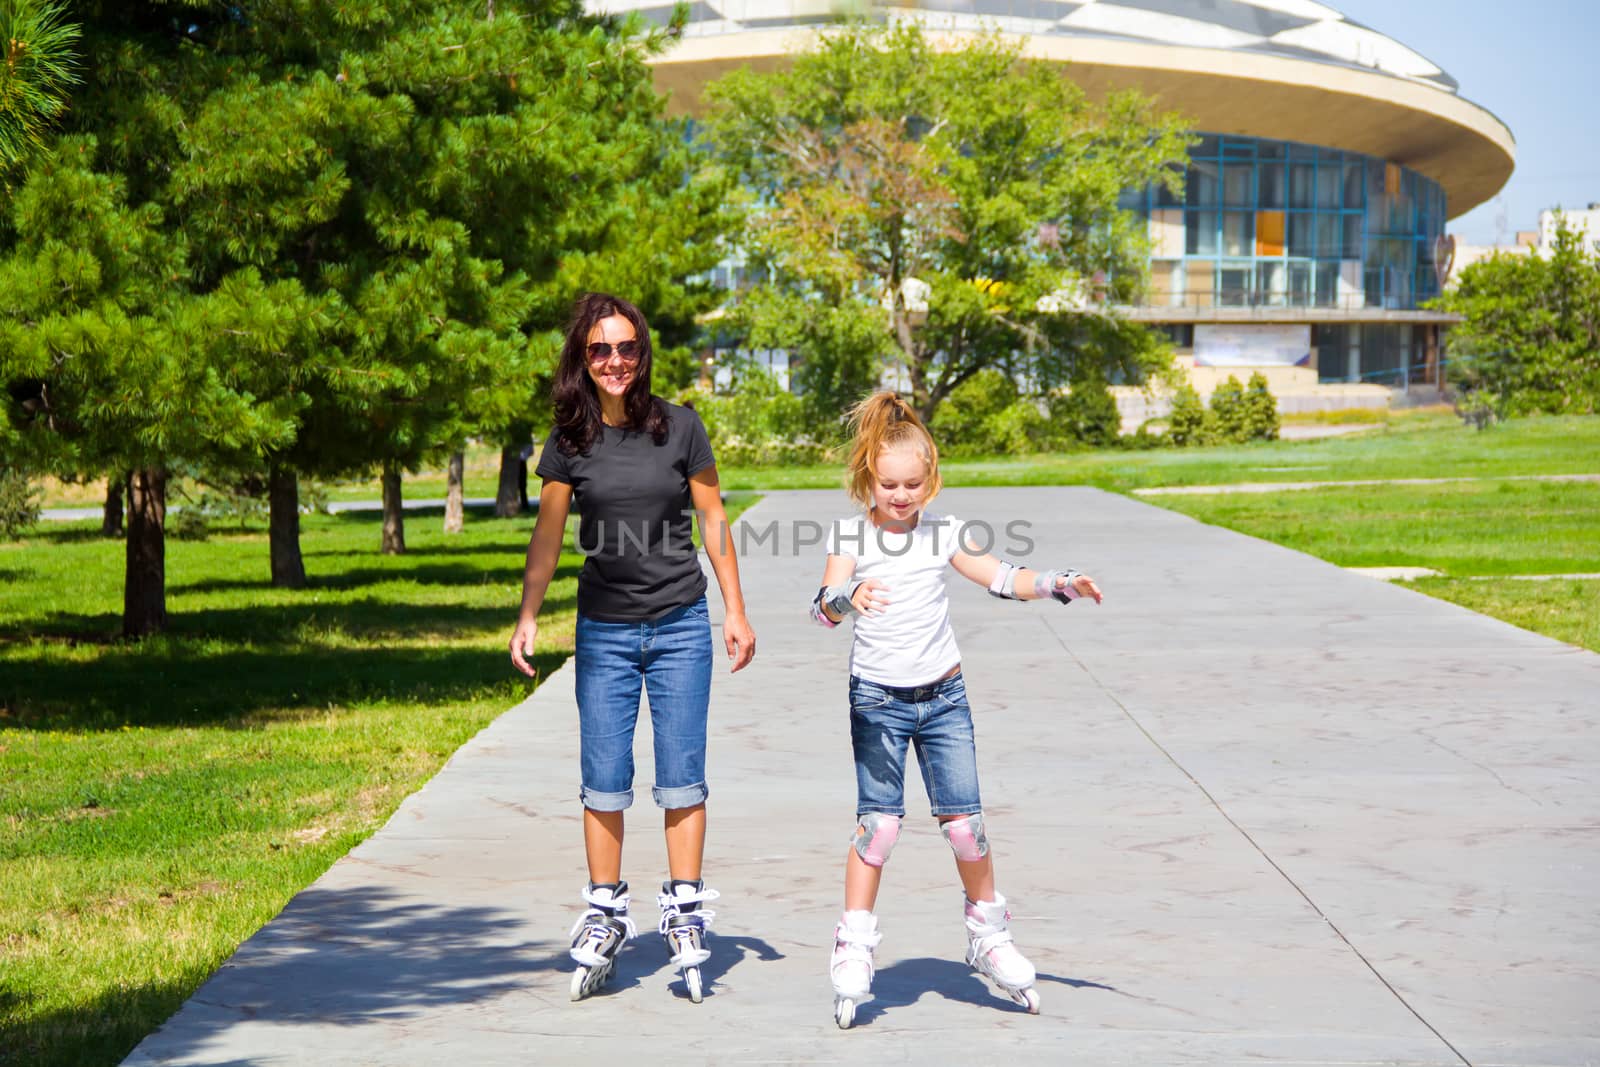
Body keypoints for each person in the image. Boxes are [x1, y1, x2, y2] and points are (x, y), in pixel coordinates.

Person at [810, 391, 1103, 1028]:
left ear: (931, 480)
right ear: (868, 477)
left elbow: (1001, 576)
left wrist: (1055, 583)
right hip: (878, 701)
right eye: (889, 484)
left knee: (966, 826)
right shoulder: (850, 533)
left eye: (914, 483)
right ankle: (854, 943)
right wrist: (847, 594)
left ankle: (989, 935)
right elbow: (822, 608)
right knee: (879, 827)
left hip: (944, 698)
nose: (901, 495)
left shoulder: (943, 533)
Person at [509, 292, 756, 1004]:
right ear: (581, 360)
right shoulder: (569, 441)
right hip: (606, 632)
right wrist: (529, 613)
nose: (614, 361)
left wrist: (734, 610)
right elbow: (548, 536)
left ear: (642, 352)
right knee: (604, 776)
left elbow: (713, 519)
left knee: (683, 775)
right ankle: (606, 910)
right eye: (599, 350)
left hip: (680, 624)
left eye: (625, 348)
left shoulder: (679, 427)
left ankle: (683, 909)